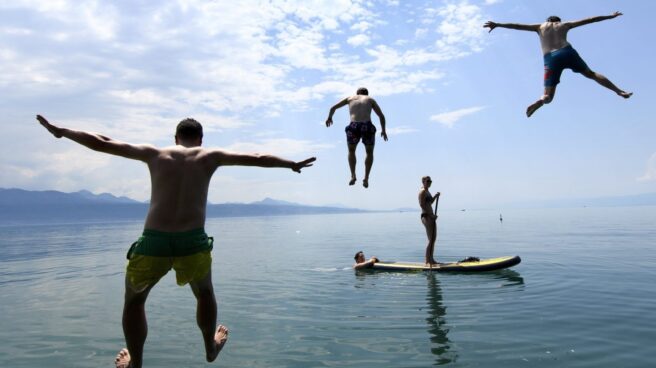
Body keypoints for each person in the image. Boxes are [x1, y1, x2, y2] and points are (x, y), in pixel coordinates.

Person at [36, 115, 316, 368]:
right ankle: (210, 348)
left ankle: (136, 365)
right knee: (204, 294)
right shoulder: (210, 155)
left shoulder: (155, 154)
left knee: (134, 302)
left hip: (154, 241)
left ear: (175, 138)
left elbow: (102, 142)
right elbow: (256, 157)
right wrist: (290, 164)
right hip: (192, 241)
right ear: (201, 139)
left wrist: (63, 131)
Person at [484, 12, 632, 117]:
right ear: (557, 21)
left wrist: (498, 24)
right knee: (591, 74)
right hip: (567, 52)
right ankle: (619, 91)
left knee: (548, 95)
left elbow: (517, 26)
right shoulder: (564, 24)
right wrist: (610, 16)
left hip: (550, 59)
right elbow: (591, 19)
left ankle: (541, 100)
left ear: (548, 20)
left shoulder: (540, 26)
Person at [325, 87, 388, 188]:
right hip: (367, 126)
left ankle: (353, 175)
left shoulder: (350, 98)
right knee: (369, 152)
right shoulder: (370, 99)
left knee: (351, 151)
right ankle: (366, 177)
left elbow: (333, 108)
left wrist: (329, 118)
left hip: (353, 126)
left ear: (357, 93)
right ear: (367, 94)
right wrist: (383, 130)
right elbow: (381, 116)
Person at [419, 176, 440, 266]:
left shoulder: (427, 191)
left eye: (430, 181)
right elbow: (422, 205)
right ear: (423, 182)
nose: (429, 182)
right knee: (430, 239)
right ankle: (427, 260)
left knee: (433, 239)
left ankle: (431, 259)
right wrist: (431, 215)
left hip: (431, 217)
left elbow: (430, 202)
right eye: (427, 181)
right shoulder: (422, 191)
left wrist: (435, 196)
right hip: (426, 216)